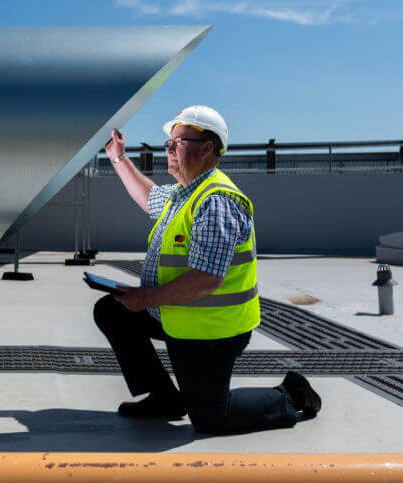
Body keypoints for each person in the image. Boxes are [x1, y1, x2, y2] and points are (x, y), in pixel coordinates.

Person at [94, 105, 321, 434]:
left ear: (207, 148)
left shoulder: (215, 201)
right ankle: (165, 399)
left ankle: (292, 394)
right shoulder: (183, 195)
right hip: (178, 315)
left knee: (212, 418)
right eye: (168, 144)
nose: (168, 151)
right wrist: (118, 157)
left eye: (177, 143)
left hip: (212, 331)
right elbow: (147, 196)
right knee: (112, 311)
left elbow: (206, 279)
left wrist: (144, 299)